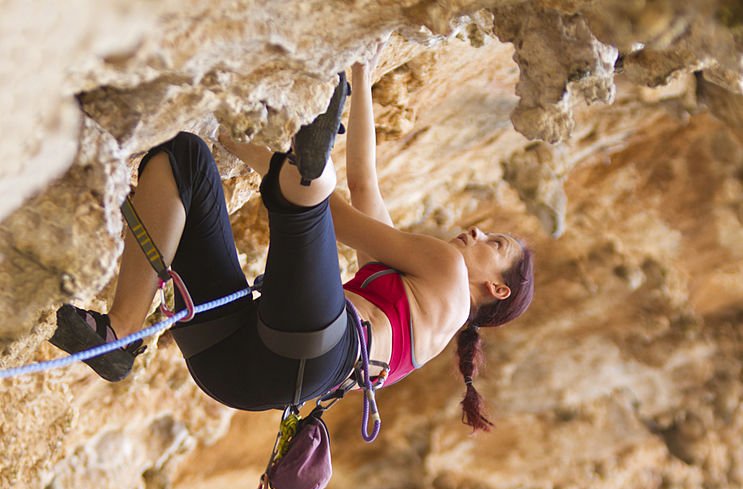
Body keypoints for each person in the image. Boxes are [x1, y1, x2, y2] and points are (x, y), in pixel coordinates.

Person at [50, 45, 534, 431]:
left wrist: (240, 138)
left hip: (313, 347)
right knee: (184, 159)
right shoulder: (420, 308)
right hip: (237, 372)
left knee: (312, 197)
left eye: (495, 244)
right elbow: (365, 183)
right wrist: (363, 67)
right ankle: (118, 337)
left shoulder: (446, 271)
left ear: (498, 288)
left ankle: (306, 161)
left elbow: (336, 218)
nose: (476, 231)